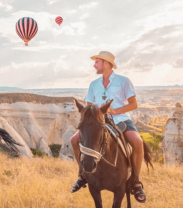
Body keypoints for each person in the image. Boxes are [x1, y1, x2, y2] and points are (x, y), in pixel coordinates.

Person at [70, 51, 146, 203]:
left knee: (137, 142)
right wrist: (92, 114)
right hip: (99, 121)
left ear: (106, 63)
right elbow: (89, 107)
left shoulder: (123, 81)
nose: (94, 65)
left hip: (121, 119)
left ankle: (136, 181)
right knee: (73, 140)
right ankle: (83, 174)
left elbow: (134, 104)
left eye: (97, 62)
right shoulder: (94, 84)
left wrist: (116, 110)